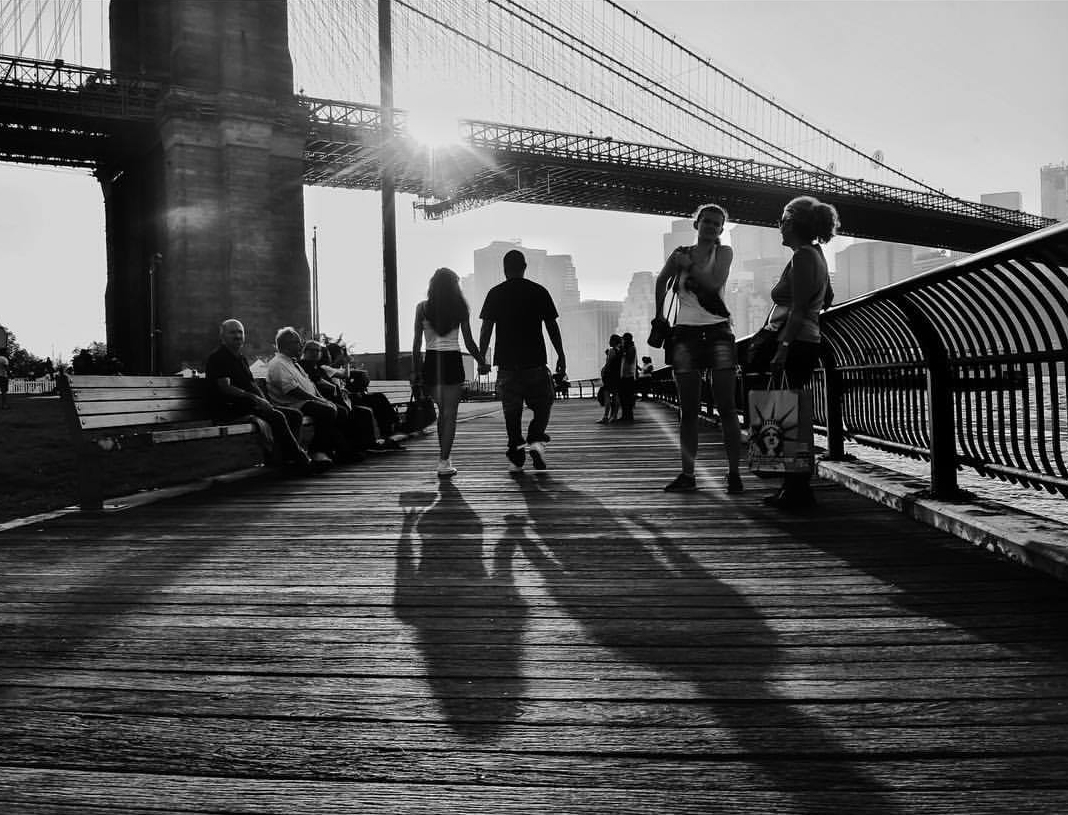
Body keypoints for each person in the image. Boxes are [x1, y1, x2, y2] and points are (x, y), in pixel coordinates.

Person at [748, 195, 837, 511]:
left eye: (782, 221)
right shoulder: (818, 255)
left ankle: (798, 490)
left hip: (795, 343)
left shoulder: (802, 258)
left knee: (787, 414)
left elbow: (798, 309)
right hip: (808, 342)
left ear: (795, 225)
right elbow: (826, 297)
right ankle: (793, 487)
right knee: (791, 413)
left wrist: (781, 349)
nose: (778, 226)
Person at [652, 203, 744, 493]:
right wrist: (659, 314)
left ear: (721, 229)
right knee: (688, 410)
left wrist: (688, 267)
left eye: (718, 224)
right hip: (685, 335)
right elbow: (661, 280)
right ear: (697, 224)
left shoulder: (724, 252)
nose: (712, 227)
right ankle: (687, 476)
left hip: (718, 332)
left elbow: (714, 283)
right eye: (707, 222)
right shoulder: (679, 253)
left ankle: (733, 474)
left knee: (727, 408)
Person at [479, 248, 566, 472]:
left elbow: (486, 328)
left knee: (512, 413)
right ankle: (536, 439)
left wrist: (481, 359)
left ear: (504, 269)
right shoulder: (538, 291)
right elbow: (551, 326)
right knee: (544, 403)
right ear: (524, 267)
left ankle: (516, 453)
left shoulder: (495, 293)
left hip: (507, 365)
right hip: (535, 362)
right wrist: (561, 355)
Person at [411, 267, 490, 477]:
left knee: (442, 413)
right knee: (449, 415)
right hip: (452, 361)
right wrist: (481, 361)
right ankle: (444, 459)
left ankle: (444, 457)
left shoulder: (422, 308)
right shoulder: (460, 308)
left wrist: (415, 372)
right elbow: (469, 341)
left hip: (432, 362)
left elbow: (416, 343)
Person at [204, 318, 311, 470]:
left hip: (247, 405)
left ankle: (284, 459)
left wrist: (265, 401)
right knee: (278, 417)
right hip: (228, 409)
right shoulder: (218, 357)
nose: (237, 336)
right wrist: (255, 398)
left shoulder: (240, 358)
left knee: (294, 415)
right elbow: (225, 388)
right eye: (232, 332)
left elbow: (252, 384)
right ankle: (300, 459)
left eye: (240, 332)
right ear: (222, 336)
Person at [265, 326, 340, 466]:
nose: (301, 345)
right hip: (292, 404)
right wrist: (317, 399)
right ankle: (317, 451)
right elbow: (292, 390)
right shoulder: (278, 364)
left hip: (303, 402)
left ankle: (334, 450)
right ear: (287, 345)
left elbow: (310, 384)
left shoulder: (292, 363)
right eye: (298, 342)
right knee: (327, 411)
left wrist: (321, 398)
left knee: (336, 409)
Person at [597, 334, 621, 424]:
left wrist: (603, 371)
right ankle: (614, 416)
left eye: (610, 340)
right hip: (617, 376)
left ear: (614, 341)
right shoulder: (619, 351)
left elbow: (609, 363)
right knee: (616, 396)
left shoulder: (611, 350)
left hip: (609, 376)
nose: (609, 342)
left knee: (606, 395)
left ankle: (606, 416)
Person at [617, 332, 638, 421]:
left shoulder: (631, 348)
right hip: (624, 375)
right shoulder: (628, 348)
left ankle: (628, 415)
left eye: (624, 339)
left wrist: (623, 351)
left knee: (627, 396)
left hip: (628, 376)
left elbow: (629, 360)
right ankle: (625, 415)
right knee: (623, 397)